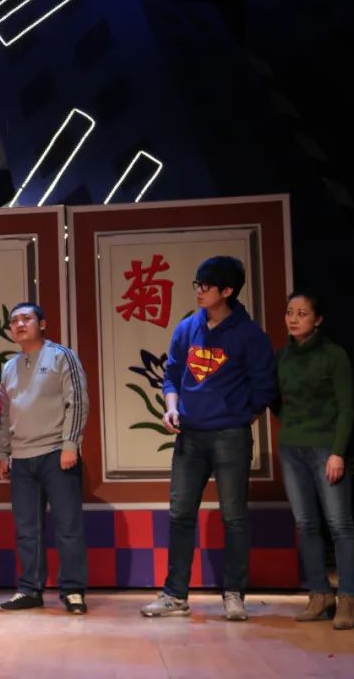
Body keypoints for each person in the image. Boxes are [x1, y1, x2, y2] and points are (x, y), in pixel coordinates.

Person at [141, 256, 276, 621]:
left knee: (234, 516)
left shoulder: (249, 335)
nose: (199, 291)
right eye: (197, 284)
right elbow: (171, 375)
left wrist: (237, 418)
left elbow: (264, 387)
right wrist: (172, 408)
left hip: (230, 436)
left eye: (206, 286)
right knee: (180, 513)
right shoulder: (188, 327)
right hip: (190, 436)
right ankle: (175, 595)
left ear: (227, 291)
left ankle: (233, 594)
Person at [0, 302, 90, 615]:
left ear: (42, 324)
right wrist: (4, 452)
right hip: (22, 458)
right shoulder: (9, 366)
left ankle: (73, 590)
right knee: (27, 528)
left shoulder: (61, 355)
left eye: (27, 318)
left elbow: (77, 401)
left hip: (57, 453)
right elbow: (5, 413)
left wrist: (70, 444)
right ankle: (29, 589)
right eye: (14, 321)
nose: (20, 324)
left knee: (68, 525)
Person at [274, 292, 354, 629]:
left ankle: (348, 598)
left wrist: (337, 451)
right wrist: (290, 423)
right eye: (289, 312)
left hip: (326, 448)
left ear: (318, 319)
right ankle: (319, 594)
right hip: (291, 448)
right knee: (306, 524)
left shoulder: (333, 355)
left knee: (339, 524)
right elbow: (272, 397)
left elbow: (346, 408)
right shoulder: (282, 356)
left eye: (302, 313)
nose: (294, 319)